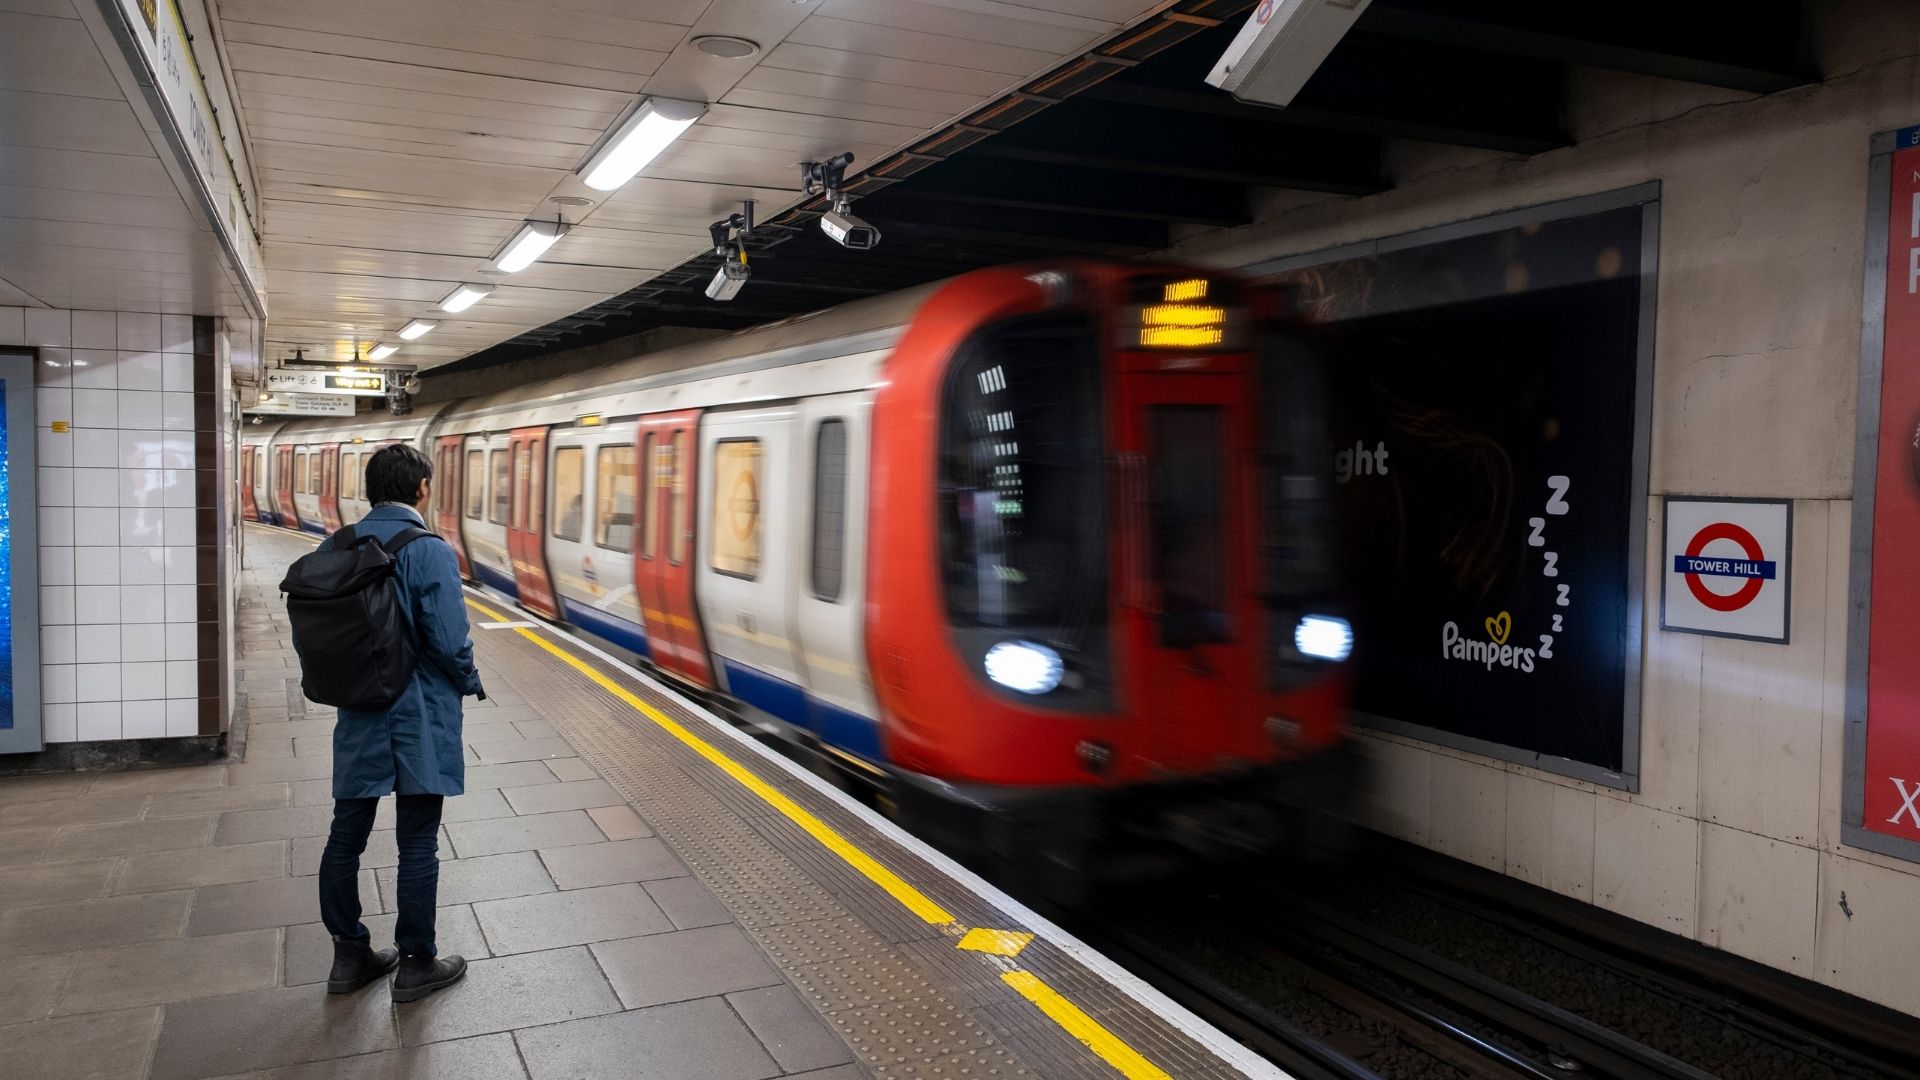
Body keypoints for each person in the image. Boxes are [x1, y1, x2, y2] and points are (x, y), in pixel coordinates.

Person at [313, 444, 483, 1002]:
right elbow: (449, 638)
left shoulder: (341, 544)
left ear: (370, 489)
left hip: (359, 713)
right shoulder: (429, 550)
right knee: (417, 843)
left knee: (346, 835)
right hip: (417, 715)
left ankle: (349, 955)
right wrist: (468, 679)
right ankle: (416, 964)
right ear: (422, 489)